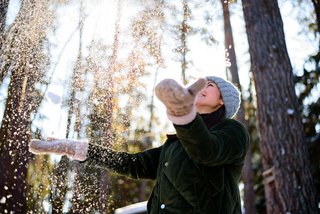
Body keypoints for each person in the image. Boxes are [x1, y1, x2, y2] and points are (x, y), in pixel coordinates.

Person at [29, 76, 249, 214]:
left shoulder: (232, 131)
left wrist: (183, 114)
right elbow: (133, 164)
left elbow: (207, 151)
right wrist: (80, 150)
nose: (202, 86)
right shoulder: (174, 145)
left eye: (210, 85)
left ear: (222, 101)